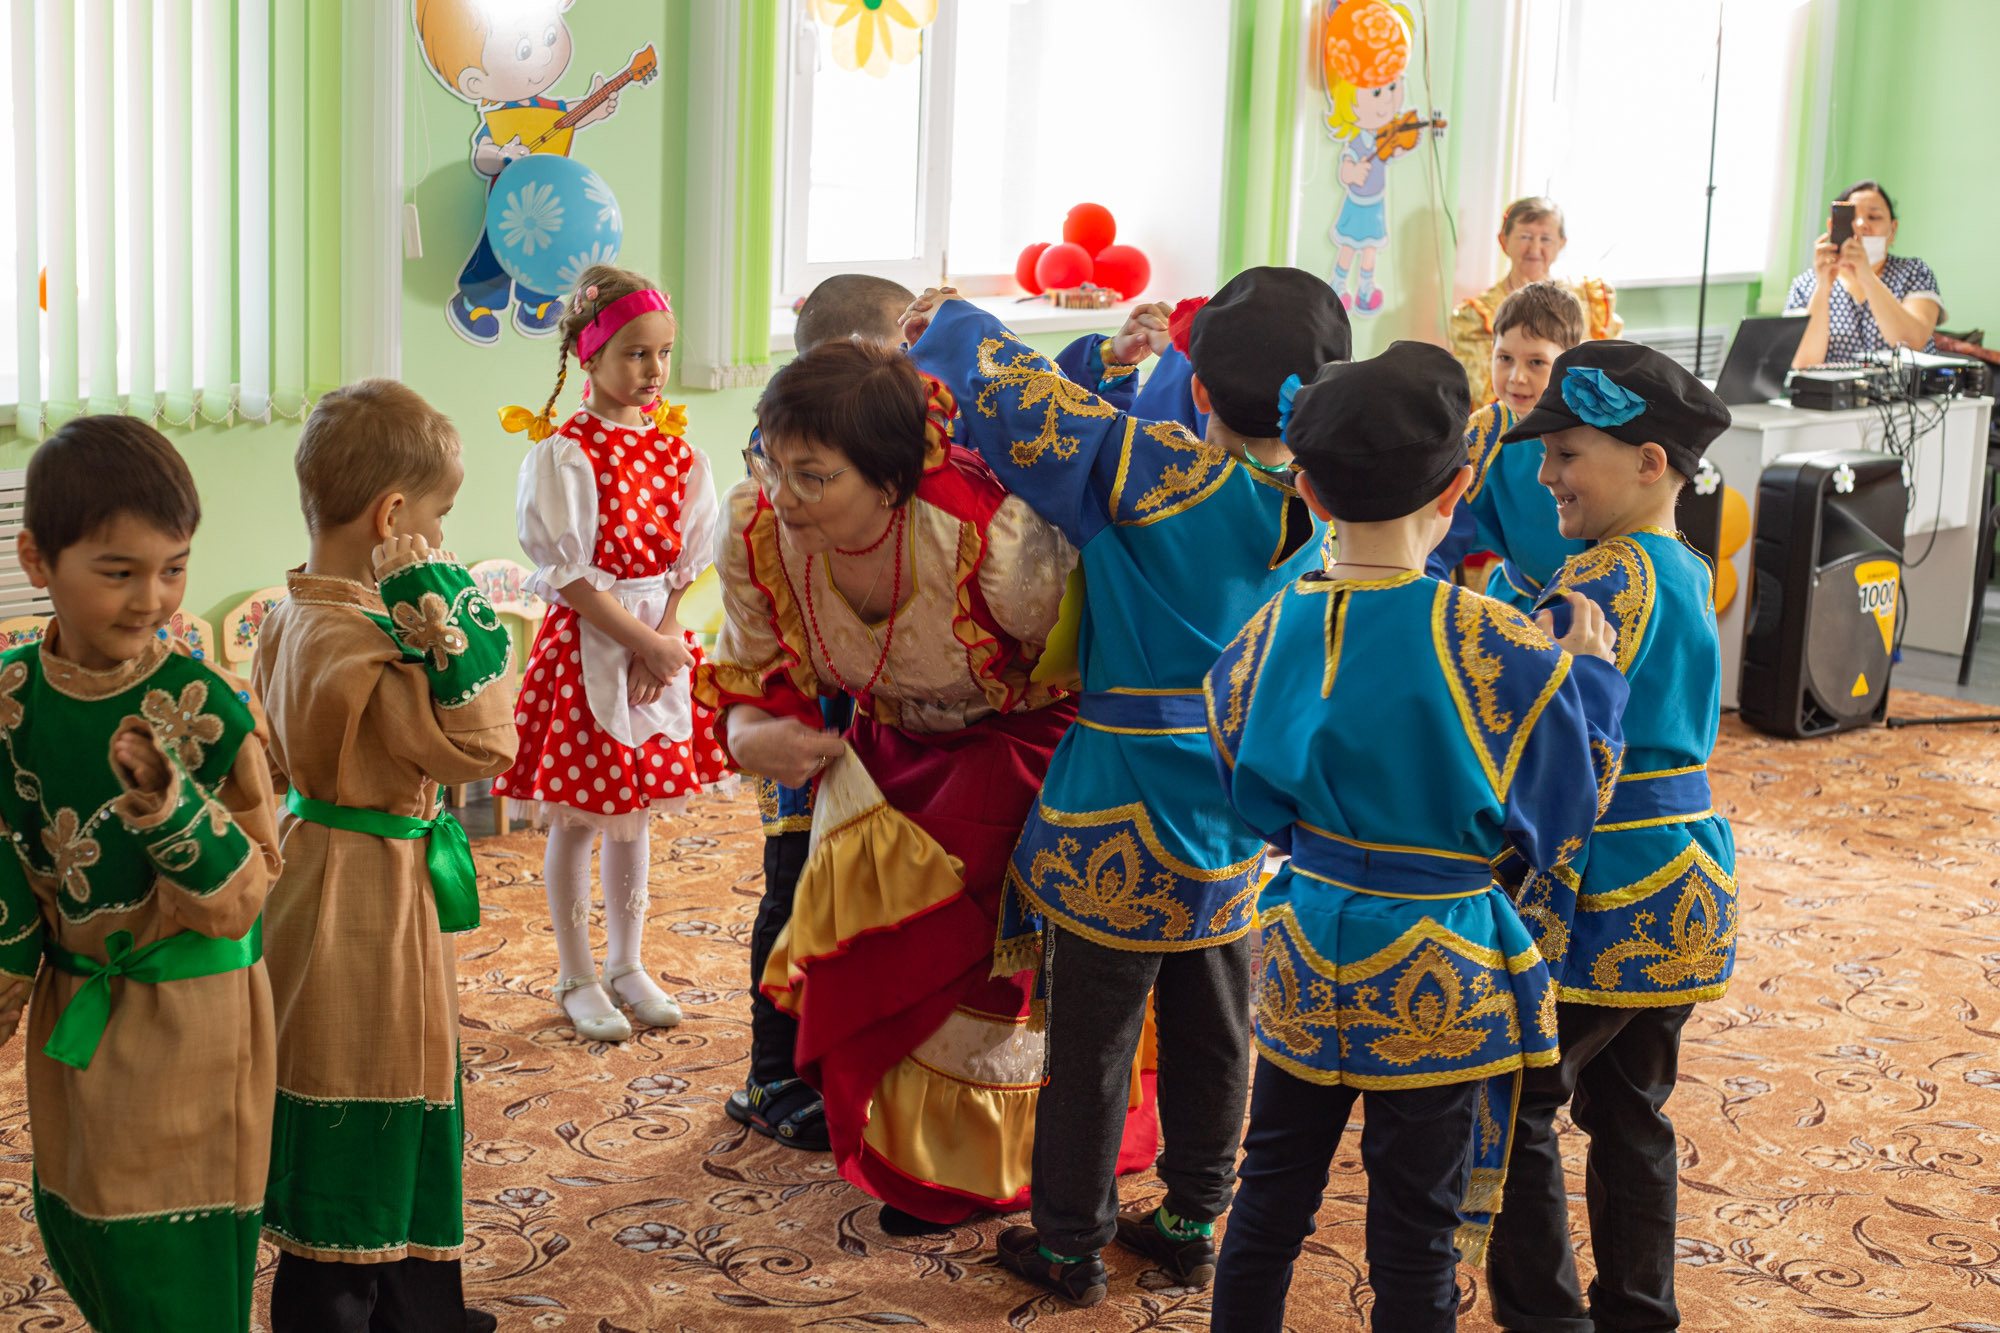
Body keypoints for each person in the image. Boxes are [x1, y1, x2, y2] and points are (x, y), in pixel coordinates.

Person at [901, 267, 1347, 1307]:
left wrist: (955, 317)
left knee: (1091, 1040)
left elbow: (1010, 396)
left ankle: (1068, 1240)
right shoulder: (1325, 511)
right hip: (1234, 804)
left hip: (1120, 801)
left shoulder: (1152, 472)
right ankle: (1193, 1216)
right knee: (1216, 1018)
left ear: (1194, 391)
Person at [1200, 341, 1627, 1333]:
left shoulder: (1264, 631)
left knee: (1264, 1198)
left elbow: (1239, 780)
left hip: (1305, 940)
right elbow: (1563, 809)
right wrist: (1593, 677)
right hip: (1439, 959)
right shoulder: (1500, 641)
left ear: (1303, 486)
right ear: (1461, 486)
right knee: (1413, 1231)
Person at [695, 338, 1160, 1237]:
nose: (783, 495)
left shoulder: (991, 536)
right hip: (882, 754)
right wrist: (756, 734)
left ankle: (1009, 1165)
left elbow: (1100, 660)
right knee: (891, 972)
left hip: (1024, 747)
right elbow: (750, 680)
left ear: (892, 482)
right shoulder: (757, 526)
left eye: (813, 476)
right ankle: (918, 1166)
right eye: (771, 459)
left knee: (992, 982)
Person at [0, 417, 284, 1331]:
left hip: (192, 1020)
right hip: (75, 1015)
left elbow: (248, 889)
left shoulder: (208, 708)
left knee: (179, 1258)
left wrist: (171, 810)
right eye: (118, 571)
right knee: (88, 1222)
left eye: (174, 567)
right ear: (36, 558)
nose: (151, 598)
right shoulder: (10, 700)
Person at [1485, 342, 1739, 1333]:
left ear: (1649, 461)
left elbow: (1531, 753)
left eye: (1565, 453)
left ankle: (1545, 1321)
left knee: (1511, 1105)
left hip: (1604, 896)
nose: (1543, 473)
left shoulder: (1595, 587)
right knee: (1631, 1112)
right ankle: (1640, 1313)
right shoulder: (1680, 565)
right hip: (1682, 885)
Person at [254, 381, 518, 1332]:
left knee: (385, 1064)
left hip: (317, 861)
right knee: (367, 1072)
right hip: (361, 892)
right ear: (393, 517)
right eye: (440, 520)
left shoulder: (290, 612)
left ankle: (412, 1298)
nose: (445, 539)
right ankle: (343, 1306)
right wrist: (439, 595)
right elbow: (485, 743)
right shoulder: (366, 643)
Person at [494, 264, 728, 1044]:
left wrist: (660, 643)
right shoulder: (565, 455)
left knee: (635, 821)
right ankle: (577, 971)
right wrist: (643, 644)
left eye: (661, 352)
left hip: (653, 652)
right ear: (589, 356)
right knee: (581, 818)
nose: (653, 369)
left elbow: (685, 566)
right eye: (634, 352)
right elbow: (572, 578)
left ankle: (627, 961)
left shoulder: (680, 456)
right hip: (592, 651)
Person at [1430, 280, 1590, 603]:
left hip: (1596, 607)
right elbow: (1440, 533)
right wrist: (1426, 595)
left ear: (1568, 363)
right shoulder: (1483, 435)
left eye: (1536, 362)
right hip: (1516, 601)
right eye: (1505, 358)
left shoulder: (1595, 432)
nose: (1517, 377)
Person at [1450, 197, 1622, 405]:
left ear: (1561, 243)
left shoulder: (1589, 298)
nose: (1534, 248)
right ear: (1504, 241)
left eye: (1546, 239)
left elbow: (1613, 374)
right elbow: (1485, 393)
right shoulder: (1477, 316)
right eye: (1525, 237)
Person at [1786, 179, 1945, 366]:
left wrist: (1866, 276)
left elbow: (1912, 341)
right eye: (1852, 218)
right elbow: (1803, 363)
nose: (1861, 225)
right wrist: (1823, 287)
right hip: (1833, 394)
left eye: (1874, 217)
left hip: (1908, 394)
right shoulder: (1805, 285)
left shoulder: (1915, 273)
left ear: (1893, 230)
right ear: (1832, 226)